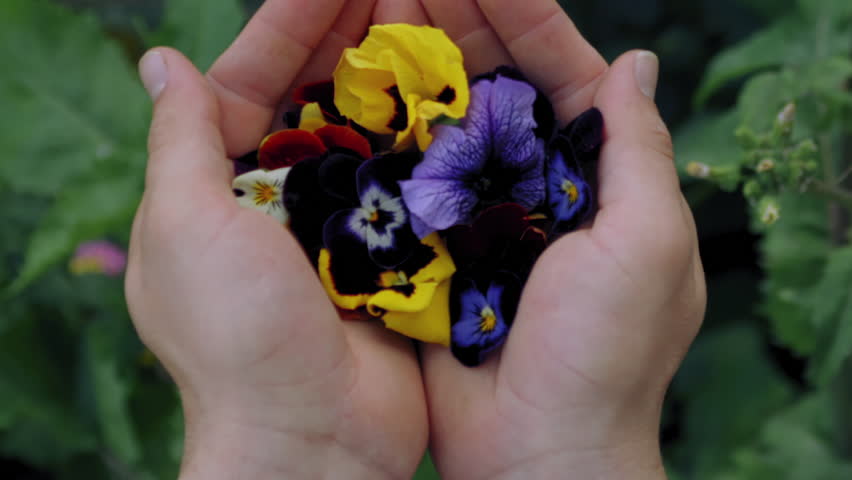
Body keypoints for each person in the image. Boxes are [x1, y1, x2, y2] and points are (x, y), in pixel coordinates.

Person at [125, 0, 707, 478]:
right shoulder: (436, 192)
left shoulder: (454, 187)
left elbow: (445, 194)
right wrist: (578, 452)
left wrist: (284, 446)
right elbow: (436, 196)